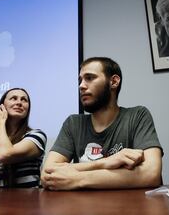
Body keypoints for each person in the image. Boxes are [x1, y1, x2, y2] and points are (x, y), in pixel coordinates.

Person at [41, 57, 162, 190]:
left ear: (114, 82)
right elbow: (47, 173)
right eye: (80, 80)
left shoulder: (137, 115)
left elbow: (151, 174)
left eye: (90, 78)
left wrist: (77, 179)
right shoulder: (73, 123)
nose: (81, 85)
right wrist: (106, 163)